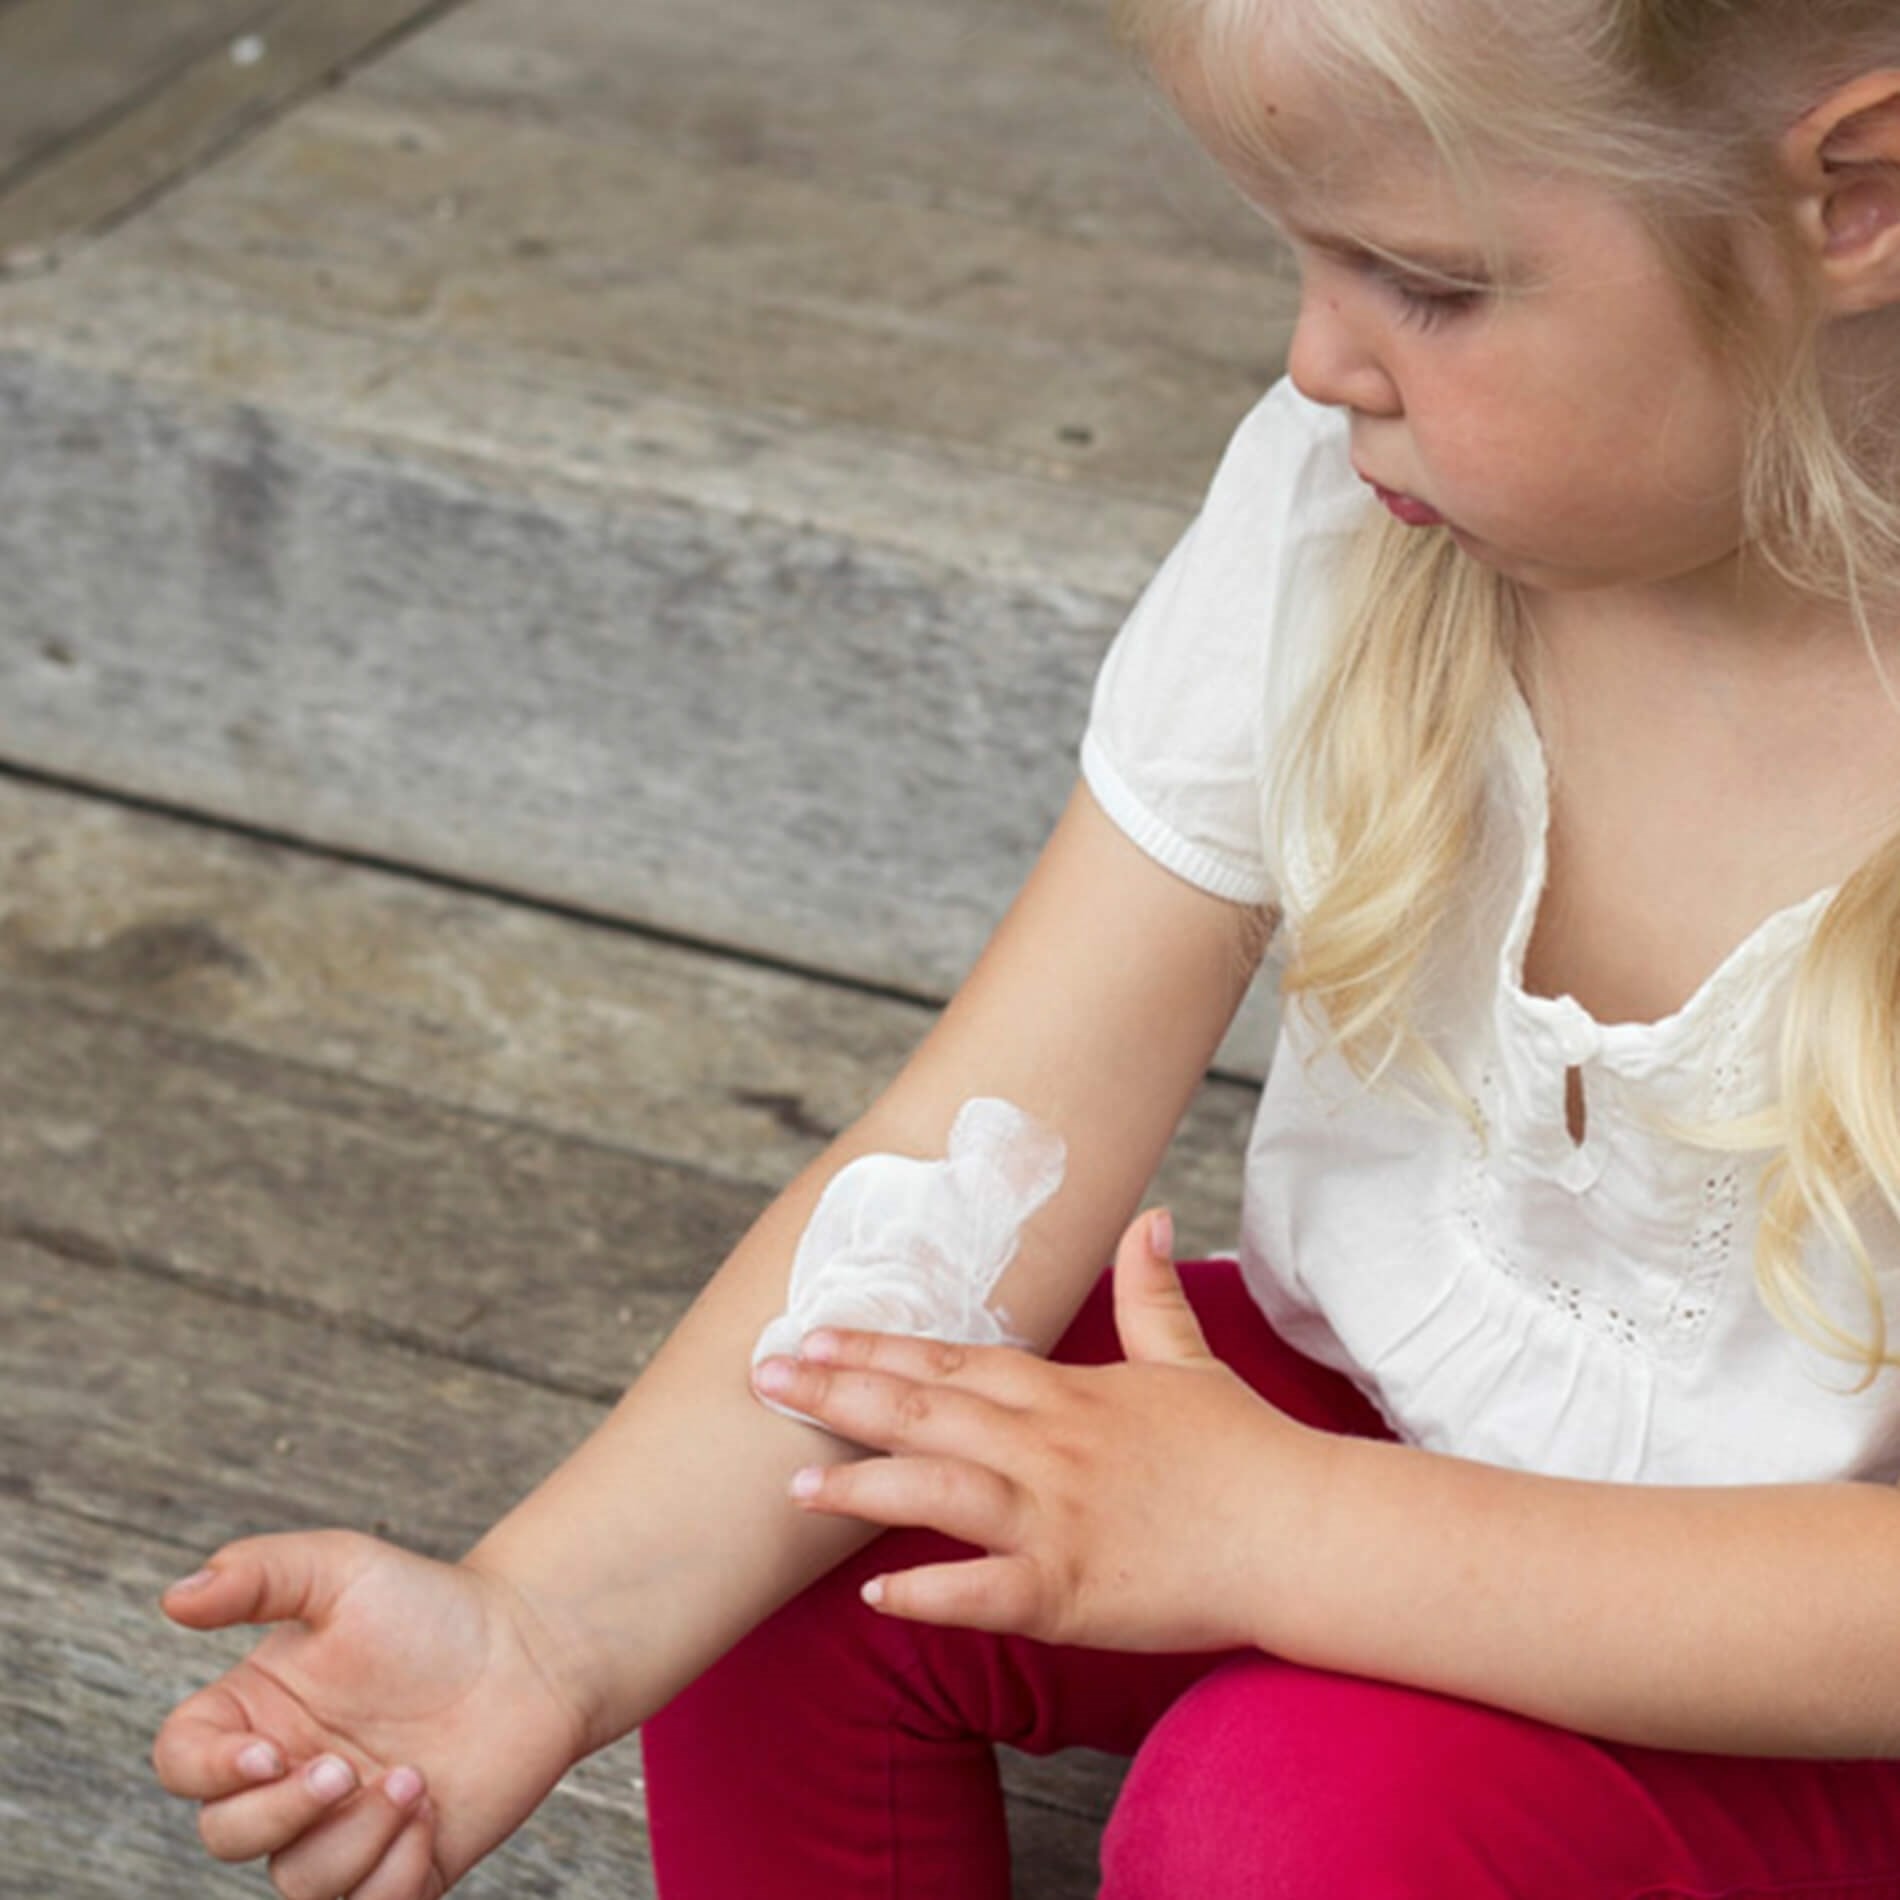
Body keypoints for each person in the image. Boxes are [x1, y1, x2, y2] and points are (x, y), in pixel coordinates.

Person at [150, 0, 1900, 1893]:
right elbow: (993, 1123)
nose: (1321, 362)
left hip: (1824, 1691)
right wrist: (542, 1627)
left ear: (1857, 194)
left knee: (1297, 1813)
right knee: (850, 1480)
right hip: (1382, 1445)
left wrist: (1290, 1532)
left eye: (1424, 280)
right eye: (1299, 253)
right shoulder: (1357, 522)